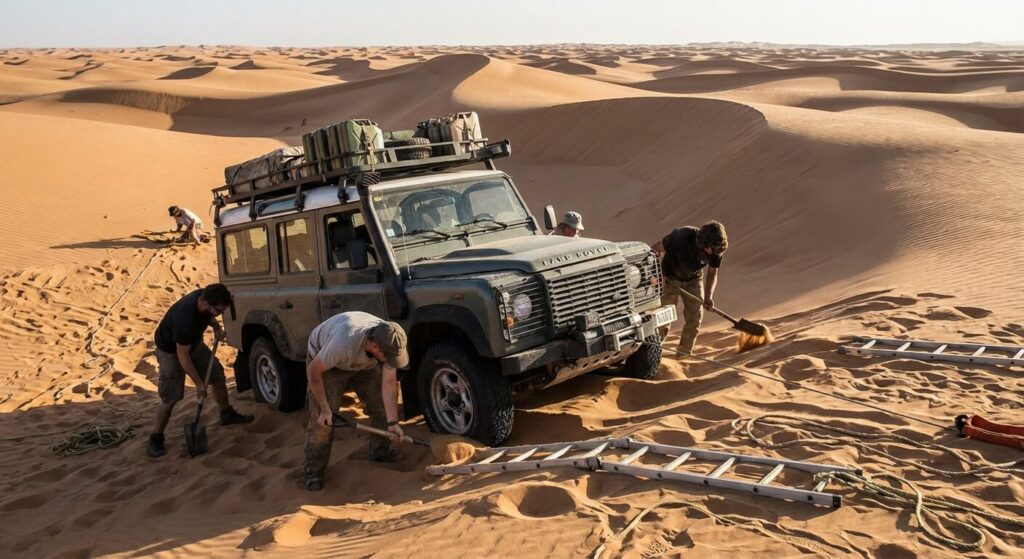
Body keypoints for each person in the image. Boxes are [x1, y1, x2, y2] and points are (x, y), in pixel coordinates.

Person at [304, 311, 409, 491]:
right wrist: (324, 408)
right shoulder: (343, 343)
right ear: (375, 347)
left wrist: (393, 422)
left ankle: (380, 451)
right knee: (323, 422)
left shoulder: (392, 340)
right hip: (328, 366)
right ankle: (313, 472)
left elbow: (389, 382)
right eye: (388, 357)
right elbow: (314, 371)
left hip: (365, 365)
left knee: (380, 408)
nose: (391, 361)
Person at [147, 283, 254, 457]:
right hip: (171, 350)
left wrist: (217, 327)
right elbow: (183, 355)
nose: (219, 314)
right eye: (218, 311)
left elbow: (208, 317)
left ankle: (226, 413)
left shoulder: (205, 297)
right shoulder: (185, 320)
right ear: (206, 304)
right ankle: (155, 438)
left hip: (193, 343)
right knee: (170, 396)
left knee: (218, 376)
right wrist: (198, 384)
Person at [653, 221, 728, 355]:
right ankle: (654, 353)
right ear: (703, 242)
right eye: (711, 250)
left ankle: (684, 355)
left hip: (693, 281)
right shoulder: (681, 236)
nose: (713, 254)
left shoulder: (717, 249)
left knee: (694, 319)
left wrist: (708, 296)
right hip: (668, 279)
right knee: (663, 319)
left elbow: (712, 273)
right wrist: (656, 275)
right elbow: (654, 250)